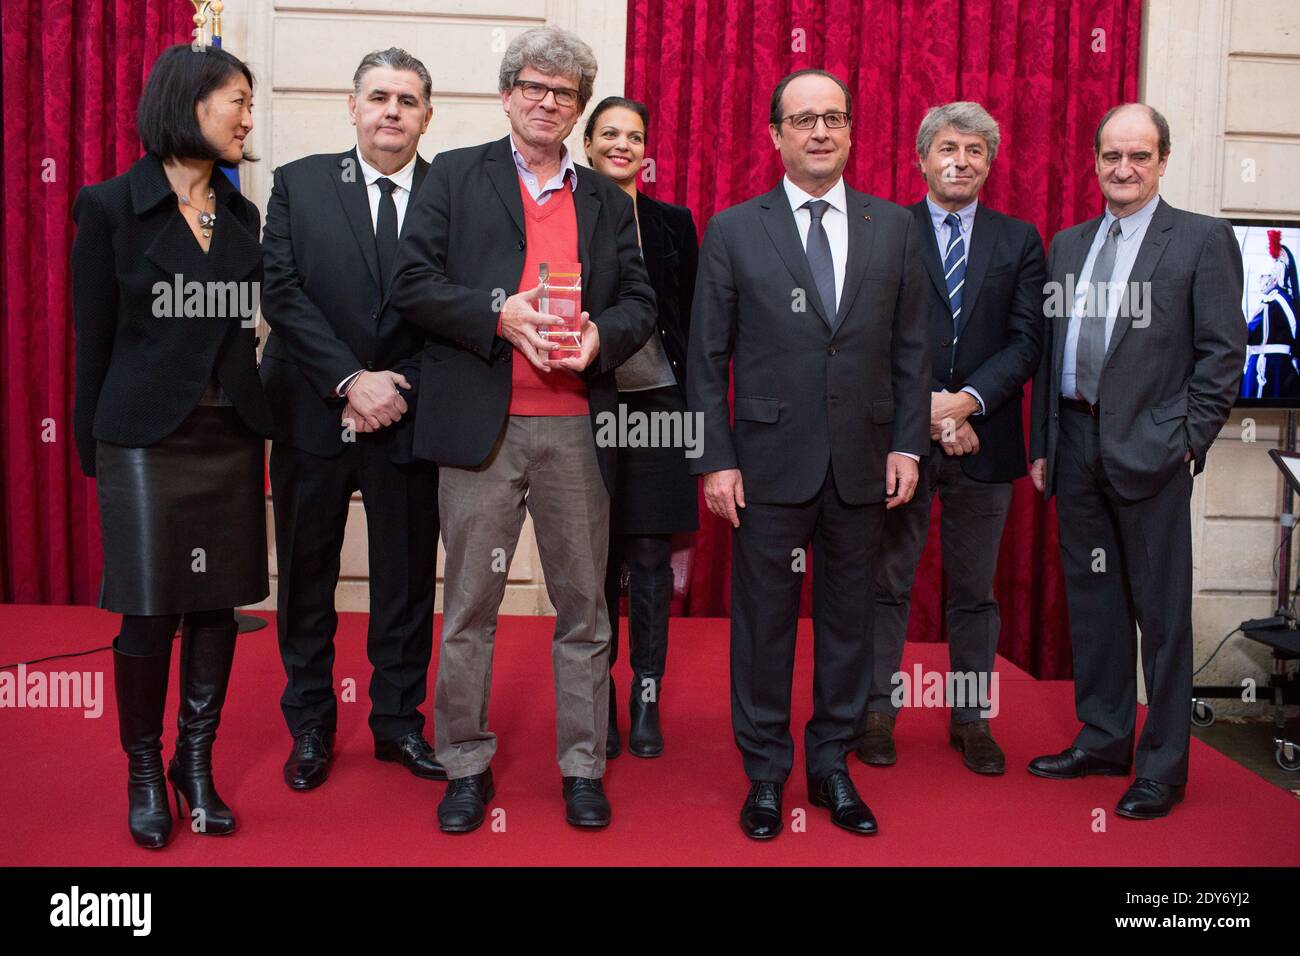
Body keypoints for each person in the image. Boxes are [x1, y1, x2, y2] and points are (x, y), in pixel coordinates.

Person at [390, 26, 657, 831]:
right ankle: (464, 762)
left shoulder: (608, 198)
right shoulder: (455, 178)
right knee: (469, 606)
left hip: (577, 427)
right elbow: (410, 283)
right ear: (508, 95)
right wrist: (494, 313)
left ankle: (581, 766)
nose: (548, 102)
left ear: (578, 108)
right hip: (483, 428)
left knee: (585, 610)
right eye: (535, 87)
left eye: (565, 93)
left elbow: (640, 302)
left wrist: (601, 337)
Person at [687, 69, 929, 839]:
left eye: (833, 118)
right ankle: (765, 773)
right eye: (803, 120)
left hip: (864, 462)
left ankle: (830, 765)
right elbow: (704, 355)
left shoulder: (895, 227)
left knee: (849, 623)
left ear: (851, 130)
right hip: (764, 466)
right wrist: (715, 459)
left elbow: (914, 347)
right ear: (775, 135)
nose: (819, 131)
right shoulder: (732, 228)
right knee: (762, 625)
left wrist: (908, 445)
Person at [70, 44, 272, 848]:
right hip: (146, 440)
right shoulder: (109, 206)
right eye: (236, 101)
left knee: (217, 605)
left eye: (250, 104)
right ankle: (145, 769)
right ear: (188, 104)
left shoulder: (243, 215)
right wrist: (97, 453)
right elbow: (94, 343)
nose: (247, 118)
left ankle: (197, 762)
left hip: (227, 435)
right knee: (150, 612)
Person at [1028, 103, 1245, 819]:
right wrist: (1043, 447)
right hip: (1076, 444)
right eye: (1112, 156)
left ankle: (1163, 766)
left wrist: (1187, 438)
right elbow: (1050, 352)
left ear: (1162, 161)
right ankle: (1103, 739)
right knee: (1093, 607)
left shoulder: (1201, 241)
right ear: (1094, 160)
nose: (1124, 169)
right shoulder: (1068, 244)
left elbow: (1221, 354)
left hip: (1151, 451)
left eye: (1140, 157)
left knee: (1162, 614)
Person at [260, 48, 444, 792]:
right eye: (379, 97)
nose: (392, 111)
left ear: (427, 115)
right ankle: (309, 722)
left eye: (407, 100)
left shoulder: (451, 193)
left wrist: (393, 387)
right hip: (312, 407)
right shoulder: (298, 184)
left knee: (405, 579)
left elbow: (462, 309)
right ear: (353, 105)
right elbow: (283, 293)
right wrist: (349, 380)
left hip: (411, 411)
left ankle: (398, 722)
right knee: (308, 572)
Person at [860, 102, 1046, 774]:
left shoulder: (1019, 238)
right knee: (886, 584)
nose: (960, 161)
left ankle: (971, 721)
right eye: (947, 148)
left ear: (989, 163)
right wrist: (929, 415)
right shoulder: (883, 227)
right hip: (898, 445)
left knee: (975, 592)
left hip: (986, 441)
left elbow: (1028, 341)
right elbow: (867, 337)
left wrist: (965, 406)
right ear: (921, 158)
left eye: (974, 150)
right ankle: (874, 712)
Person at [583, 96, 699, 759]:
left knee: (652, 557)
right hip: (590, 405)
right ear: (589, 146)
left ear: (646, 152)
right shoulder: (568, 214)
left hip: (660, 406)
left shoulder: (673, 222)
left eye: (635, 136)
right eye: (610, 135)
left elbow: (698, 321)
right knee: (594, 557)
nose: (623, 145)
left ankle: (646, 694)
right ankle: (596, 700)